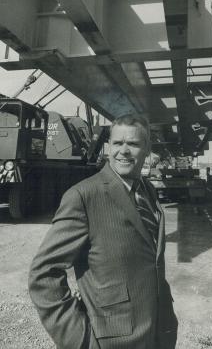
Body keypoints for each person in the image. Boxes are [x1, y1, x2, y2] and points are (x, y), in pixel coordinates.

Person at [28, 113, 178, 349]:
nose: (124, 151)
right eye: (118, 143)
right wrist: (81, 341)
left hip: (158, 332)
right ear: (108, 147)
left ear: (148, 149)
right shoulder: (84, 196)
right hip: (112, 339)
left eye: (134, 144)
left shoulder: (147, 191)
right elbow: (43, 274)